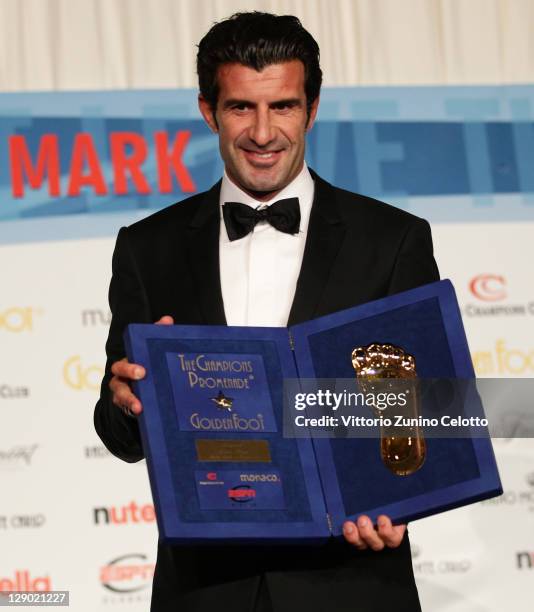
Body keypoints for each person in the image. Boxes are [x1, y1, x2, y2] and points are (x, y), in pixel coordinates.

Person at [95, 11, 439, 612]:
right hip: (205, 589)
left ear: (312, 106)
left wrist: (398, 497)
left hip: (351, 583)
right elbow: (121, 431)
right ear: (208, 110)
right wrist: (124, 402)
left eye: (281, 106)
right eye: (239, 108)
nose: (261, 132)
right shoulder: (148, 247)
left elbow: (429, 407)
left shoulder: (393, 239)